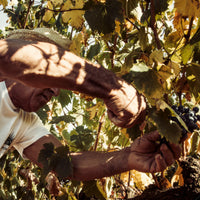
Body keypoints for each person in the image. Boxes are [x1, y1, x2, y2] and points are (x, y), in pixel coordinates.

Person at [0, 33, 181, 181]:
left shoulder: (23, 123)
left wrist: (128, 157)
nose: (55, 92)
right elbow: (8, 55)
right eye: (51, 78)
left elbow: (67, 164)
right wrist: (111, 87)